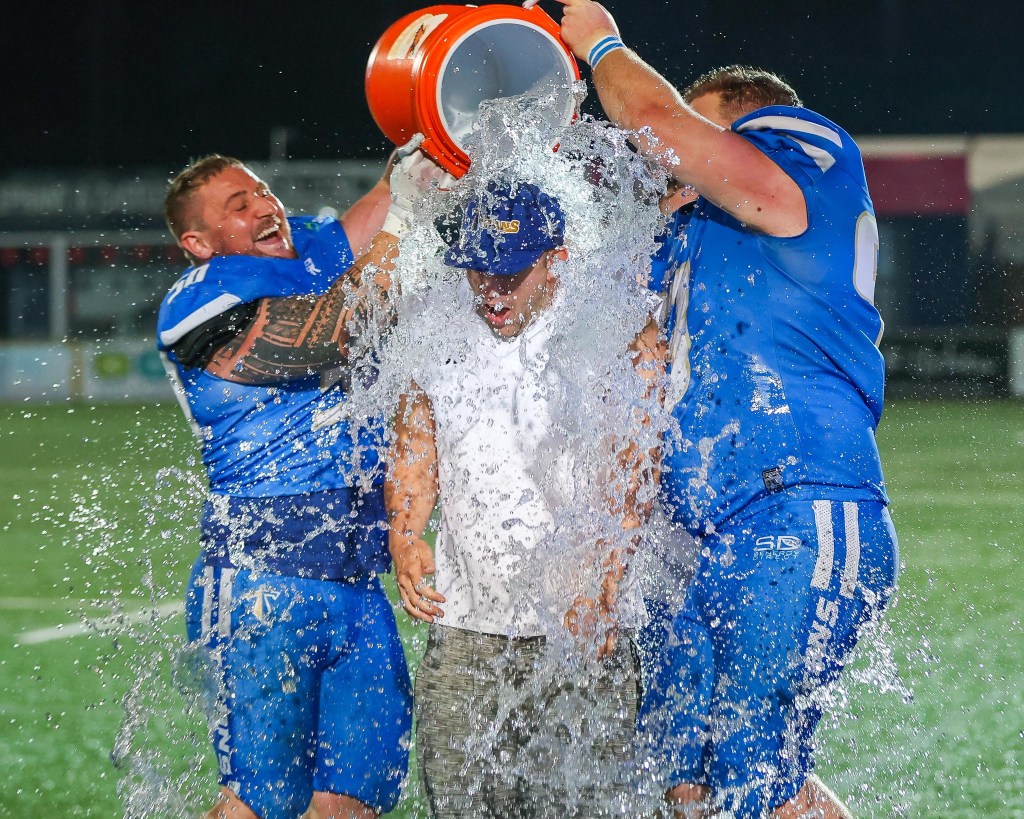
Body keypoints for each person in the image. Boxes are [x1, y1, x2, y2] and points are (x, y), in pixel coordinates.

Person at [551, 3, 901, 817]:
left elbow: (650, 117)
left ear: (751, 123)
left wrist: (599, 40)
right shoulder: (683, 237)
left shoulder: (808, 153)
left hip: (796, 506)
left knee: (755, 779)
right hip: (694, 531)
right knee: (685, 778)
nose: (667, 163)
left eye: (686, 146)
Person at [156, 144, 442, 819]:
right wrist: (403, 205)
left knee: (352, 802)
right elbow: (342, 323)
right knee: (259, 804)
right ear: (198, 242)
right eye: (239, 205)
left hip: (358, 583)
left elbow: (362, 238)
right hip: (261, 583)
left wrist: (414, 173)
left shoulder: (313, 246)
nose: (265, 206)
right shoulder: (198, 300)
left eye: (261, 191)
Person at [385, 179, 661, 818]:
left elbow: (635, 463)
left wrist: (606, 579)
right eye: (478, 272)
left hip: (584, 628)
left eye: (509, 274)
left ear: (556, 259)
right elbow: (415, 440)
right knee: (460, 808)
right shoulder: (435, 323)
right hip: (466, 631)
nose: (490, 291)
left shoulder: (612, 325)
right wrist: (406, 532)